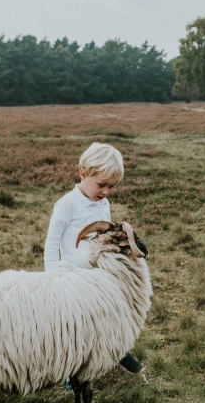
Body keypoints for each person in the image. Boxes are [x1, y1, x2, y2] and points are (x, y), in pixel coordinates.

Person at [44, 142, 145, 380]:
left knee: (107, 316)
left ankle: (119, 352)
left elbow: (104, 237)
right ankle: (71, 373)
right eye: (102, 185)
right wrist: (51, 276)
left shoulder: (103, 203)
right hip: (70, 275)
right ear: (83, 175)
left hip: (97, 274)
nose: (106, 192)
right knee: (74, 326)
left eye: (111, 187)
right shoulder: (67, 204)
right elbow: (52, 240)